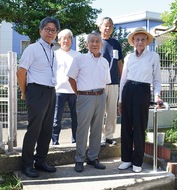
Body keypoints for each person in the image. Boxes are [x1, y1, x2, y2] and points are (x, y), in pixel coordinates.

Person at [16, 17, 60, 178]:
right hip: (36, 91)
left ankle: (40, 161)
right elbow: (21, 72)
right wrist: (24, 91)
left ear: (56, 33)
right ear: (40, 30)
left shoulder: (52, 51)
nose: (50, 32)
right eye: (47, 29)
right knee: (34, 130)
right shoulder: (33, 48)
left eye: (53, 30)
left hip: (50, 91)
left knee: (46, 130)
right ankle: (26, 165)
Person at [118, 27, 163, 173]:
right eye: (137, 39)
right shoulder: (128, 57)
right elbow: (123, 79)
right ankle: (126, 159)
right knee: (125, 127)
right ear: (133, 41)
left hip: (143, 91)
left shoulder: (153, 57)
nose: (140, 42)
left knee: (139, 127)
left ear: (147, 41)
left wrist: (157, 95)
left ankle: (137, 161)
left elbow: (157, 80)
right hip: (128, 90)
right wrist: (120, 100)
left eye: (143, 39)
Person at [67, 32, 111, 172]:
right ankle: (79, 159)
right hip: (85, 96)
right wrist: (79, 93)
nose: (95, 44)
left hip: (101, 95)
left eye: (97, 41)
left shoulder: (105, 61)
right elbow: (71, 78)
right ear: (87, 44)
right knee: (83, 129)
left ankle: (93, 158)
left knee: (97, 129)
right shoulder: (80, 59)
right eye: (91, 41)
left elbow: (106, 82)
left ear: (101, 44)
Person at [52, 29, 81, 145]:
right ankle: (55, 141)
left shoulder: (78, 55)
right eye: (63, 38)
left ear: (71, 40)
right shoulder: (54, 54)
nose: (66, 40)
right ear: (59, 40)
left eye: (68, 38)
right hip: (58, 90)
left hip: (74, 90)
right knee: (56, 118)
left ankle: (75, 140)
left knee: (76, 117)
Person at [99, 17, 123, 145]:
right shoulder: (96, 41)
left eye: (110, 26)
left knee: (112, 111)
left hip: (114, 82)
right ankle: (100, 136)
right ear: (100, 27)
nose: (108, 28)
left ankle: (109, 136)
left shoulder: (116, 43)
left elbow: (119, 62)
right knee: (99, 112)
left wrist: (122, 78)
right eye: (105, 25)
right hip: (99, 83)